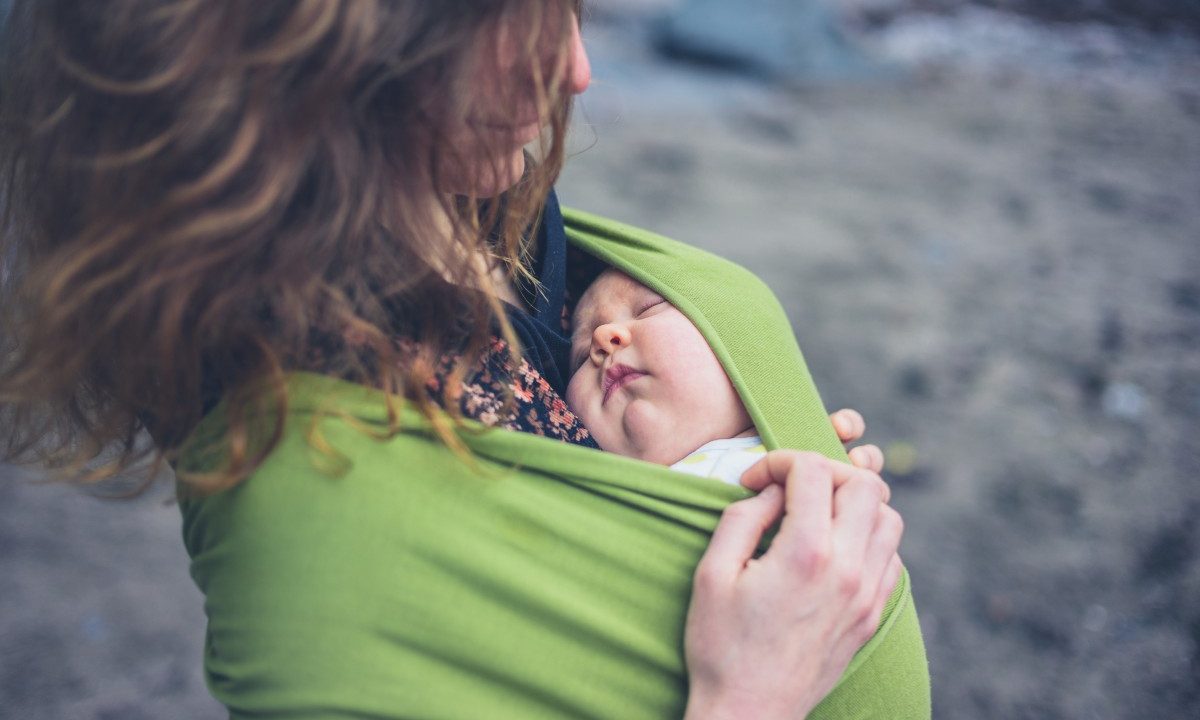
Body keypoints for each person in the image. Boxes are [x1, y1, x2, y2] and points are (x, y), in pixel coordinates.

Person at [0, 2, 926, 718]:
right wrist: (754, 692)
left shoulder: (474, 207)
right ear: (303, 50)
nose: (576, 69)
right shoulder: (313, 569)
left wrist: (736, 463)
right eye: (496, 21)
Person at [566, 267, 885, 483]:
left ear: (745, 342)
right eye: (580, 358)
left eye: (648, 308)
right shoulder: (599, 518)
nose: (603, 338)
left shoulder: (798, 465)